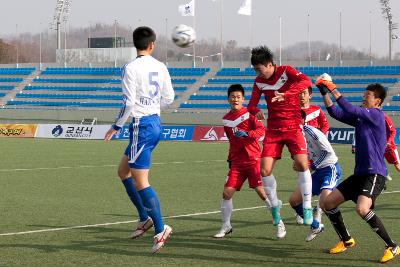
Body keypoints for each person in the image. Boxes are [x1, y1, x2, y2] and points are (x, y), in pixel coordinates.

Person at [104, 26, 175, 253]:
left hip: (141, 126)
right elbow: (169, 97)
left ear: (134, 44)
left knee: (141, 181)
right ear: (152, 44)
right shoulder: (161, 66)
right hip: (154, 123)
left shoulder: (130, 68)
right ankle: (145, 218)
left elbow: (128, 103)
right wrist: (154, 108)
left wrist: (116, 126)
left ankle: (161, 229)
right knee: (123, 172)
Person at [316, 74, 399, 264]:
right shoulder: (362, 118)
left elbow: (348, 107)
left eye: (367, 95)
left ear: (377, 101)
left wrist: (332, 87)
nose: (364, 97)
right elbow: (336, 112)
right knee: (327, 204)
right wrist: (324, 92)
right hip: (360, 174)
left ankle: (392, 246)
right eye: (364, 94)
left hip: (375, 173)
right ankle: (346, 240)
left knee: (362, 208)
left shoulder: (376, 115)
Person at [247, 46, 314, 236]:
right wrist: (254, 110)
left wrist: (287, 94)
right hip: (274, 130)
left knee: (302, 164)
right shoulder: (259, 82)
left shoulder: (287, 71)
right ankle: (275, 207)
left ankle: (307, 205)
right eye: (255, 70)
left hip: (293, 127)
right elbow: (252, 103)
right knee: (264, 170)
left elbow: (305, 81)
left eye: (259, 68)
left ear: (270, 64)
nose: (257, 72)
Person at [214, 84, 283, 238]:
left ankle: (279, 223)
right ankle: (226, 226)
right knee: (226, 194)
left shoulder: (250, 114)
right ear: (228, 99)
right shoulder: (226, 119)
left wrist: (247, 134)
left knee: (262, 193)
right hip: (237, 163)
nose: (235, 99)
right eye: (232, 97)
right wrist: (230, 158)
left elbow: (261, 131)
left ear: (243, 99)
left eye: (238, 97)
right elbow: (232, 141)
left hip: (253, 160)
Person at [289, 110, 340, 242]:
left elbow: (327, 152)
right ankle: (316, 226)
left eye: (293, 118)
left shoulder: (312, 132)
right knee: (294, 200)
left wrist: (311, 165)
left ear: (301, 120)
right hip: (317, 171)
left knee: (324, 204)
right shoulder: (293, 136)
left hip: (330, 168)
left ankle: (344, 238)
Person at [294, 86, 330, 225]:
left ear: (310, 95)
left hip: (318, 153)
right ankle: (302, 210)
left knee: (321, 182)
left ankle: (319, 212)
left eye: (304, 93)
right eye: (299, 93)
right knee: (303, 182)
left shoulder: (317, 110)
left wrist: (319, 137)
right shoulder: (294, 111)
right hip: (301, 151)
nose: (301, 96)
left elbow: (325, 126)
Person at [352, 113, 400, 181]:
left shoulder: (383, 116)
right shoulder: (368, 118)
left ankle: (383, 177)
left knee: (397, 165)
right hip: (378, 146)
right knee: (375, 163)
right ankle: (383, 177)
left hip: (389, 147)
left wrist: (389, 142)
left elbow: (393, 131)